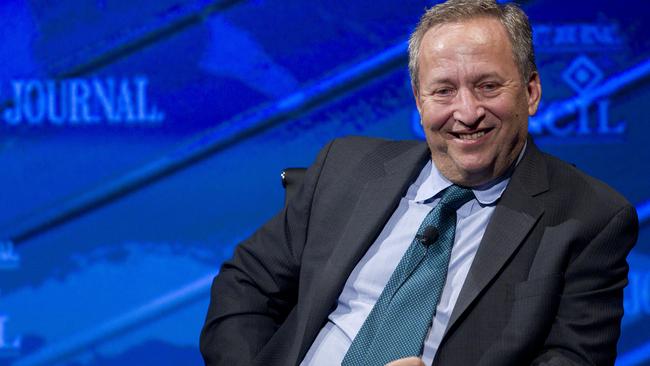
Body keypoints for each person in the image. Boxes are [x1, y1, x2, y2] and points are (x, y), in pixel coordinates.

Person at [200, 1, 639, 365]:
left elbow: (574, 360)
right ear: (418, 100)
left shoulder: (590, 217)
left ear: (531, 92)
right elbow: (244, 286)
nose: (466, 112)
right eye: (443, 91)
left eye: (487, 86)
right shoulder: (346, 165)